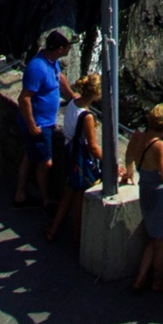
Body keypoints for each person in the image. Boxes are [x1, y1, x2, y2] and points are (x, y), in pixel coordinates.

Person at [124, 104, 163, 294]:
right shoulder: (160, 146)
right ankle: (158, 282)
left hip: (146, 191)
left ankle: (139, 280)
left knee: (154, 239)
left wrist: (129, 173)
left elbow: (128, 157)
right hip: (162, 197)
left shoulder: (137, 136)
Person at [45, 68, 104, 251]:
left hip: (68, 153)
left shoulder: (73, 102)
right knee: (77, 203)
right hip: (79, 159)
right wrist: (110, 162)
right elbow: (93, 146)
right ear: (95, 94)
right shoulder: (87, 116)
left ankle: (52, 230)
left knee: (68, 193)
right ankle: (77, 242)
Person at [14, 29, 69, 210]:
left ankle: (20, 194)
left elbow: (59, 78)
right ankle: (45, 200)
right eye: (68, 46)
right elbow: (24, 98)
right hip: (39, 124)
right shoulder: (37, 68)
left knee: (29, 156)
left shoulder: (51, 62)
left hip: (44, 122)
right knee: (46, 162)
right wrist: (32, 125)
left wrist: (72, 95)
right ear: (60, 49)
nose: (69, 49)